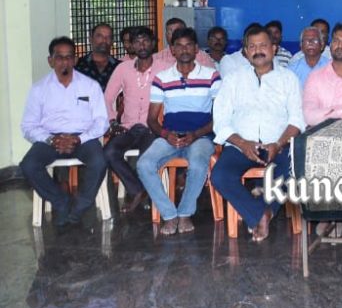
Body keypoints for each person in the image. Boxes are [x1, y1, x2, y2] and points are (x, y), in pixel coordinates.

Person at [211, 25, 306, 242]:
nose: (258, 50)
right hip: (241, 146)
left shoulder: (289, 79)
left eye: (263, 45)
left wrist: (278, 144)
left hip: (278, 145)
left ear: (274, 48)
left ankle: (264, 211)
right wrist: (243, 143)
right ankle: (261, 214)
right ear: (245, 52)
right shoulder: (233, 80)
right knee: (220, 176)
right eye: (252, 47)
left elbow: (297, 120)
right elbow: (221, 121)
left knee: (294, 169)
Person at [136, 28, 220, 235]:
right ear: (172, 50)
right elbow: (151, 119)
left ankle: (184, 214)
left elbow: (220, 116)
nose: (184, 50)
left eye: (189, 45)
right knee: (144, 164)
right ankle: (169, 215)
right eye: (179, 46)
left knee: (198, 163)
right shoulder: (162, 78)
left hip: (201, 136)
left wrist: (196, 134)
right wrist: (166, 135)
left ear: (196, 49)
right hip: (170, 136)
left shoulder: (211, 75)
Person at [19, 37, 110, 226]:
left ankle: (80, 207)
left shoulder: (90, 86)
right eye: (59, 57)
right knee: (28, 165)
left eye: (69, 57)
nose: (64, 62)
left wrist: (79, 139)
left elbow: (102, 122)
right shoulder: (39, 89)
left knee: (99, 161)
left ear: (75, 60)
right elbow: (28, 126)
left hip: (83, 138)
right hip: (51, 138)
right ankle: (61, 201)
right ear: (50, 60)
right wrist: (51, 139)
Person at [103, 26, 158, 213]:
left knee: (145, 159)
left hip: (153, 127)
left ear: (153, 43)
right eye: (137, 42)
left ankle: (143, 193)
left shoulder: (165, 68)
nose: (142, 45)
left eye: (146, 41)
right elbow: (107, 98)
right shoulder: (123, 68)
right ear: (131, 46)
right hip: (128, 127)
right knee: (109, 152)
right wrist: (112, 122)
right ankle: (138, 190)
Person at [151, 17, 215, 73]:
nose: (173, 34)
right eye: (169, 32)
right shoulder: (157, 58)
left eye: (177, 31)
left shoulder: (203, 57)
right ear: (166, 35)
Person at [75, 22, 120, 91]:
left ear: (112, 41)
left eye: (108, 37)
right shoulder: (78, 66)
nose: (104, 40)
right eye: (99, 36)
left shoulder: (120, 67)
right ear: (90, 39)